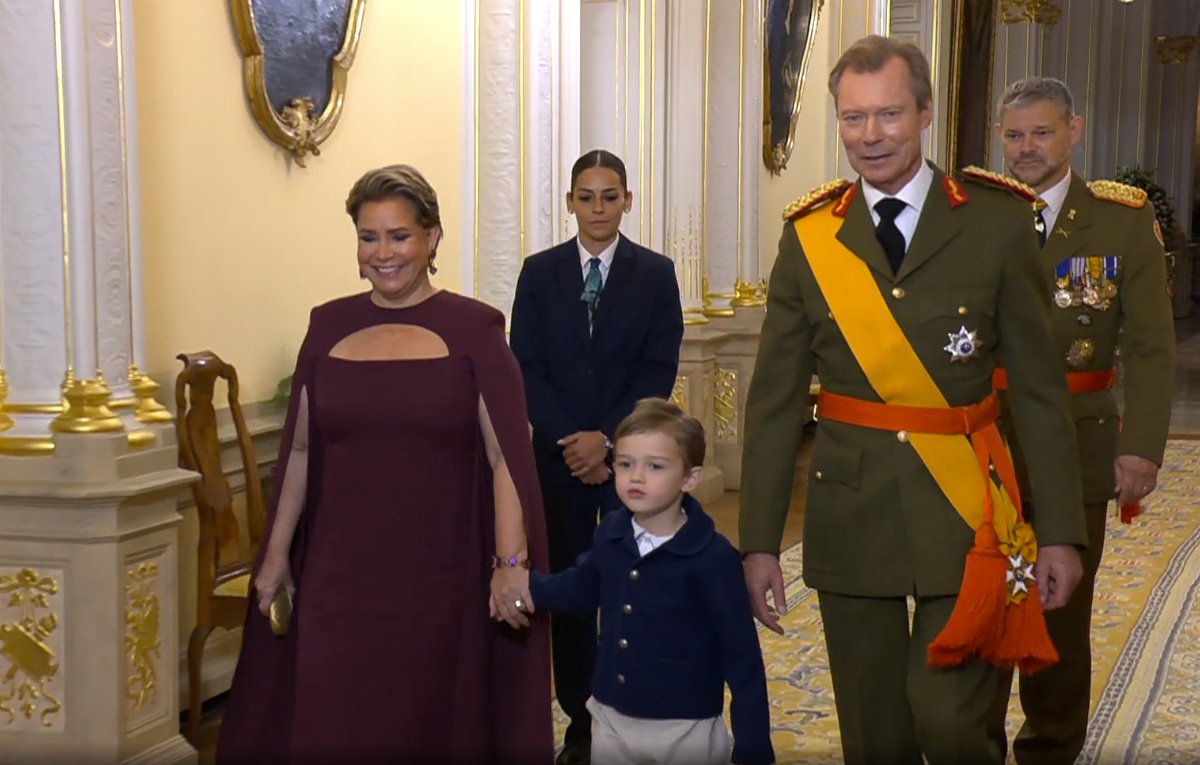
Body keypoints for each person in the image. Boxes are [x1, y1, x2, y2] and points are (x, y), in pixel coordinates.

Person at [737, 35, 1089, 765]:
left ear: (926, 113)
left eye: (889, 115)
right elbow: (772, 403)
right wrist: (760, 542)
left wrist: (1059, 530)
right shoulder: (811, 236)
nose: (870, 137)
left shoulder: (994, 221)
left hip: (966, 515)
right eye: (853, 118)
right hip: (851, 510)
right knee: (876, 737)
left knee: (952, 726)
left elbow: (1038, 392)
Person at [215, 164, 553, 764]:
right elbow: (297, 450)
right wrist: (274, 560)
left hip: (438, 579)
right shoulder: (328, 324)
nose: (383, 253)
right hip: (336, 578)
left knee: (422, 723)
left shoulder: (474, 328)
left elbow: (507, 457)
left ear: (432, 239)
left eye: (398, 236)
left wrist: (508, 565)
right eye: (368, 237)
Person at [987, 76, 1175, 764]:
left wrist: (1143, 448)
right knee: (984, 599)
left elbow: (1153, 347)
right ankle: (974, 741)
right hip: (988, 442)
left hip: (1076, 440)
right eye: (1014, 134)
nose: (1026, 148)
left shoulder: (1121, 221)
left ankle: (1050, 747)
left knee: (1058, 613)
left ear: (1076, 130)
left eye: (1041, 132)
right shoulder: (977, 213)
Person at [510, 149, 684, 765]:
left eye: (610, 196)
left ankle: (638, 712)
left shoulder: (656, 274)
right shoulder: (539, 272)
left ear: (628, 201)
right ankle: (579, 724)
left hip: (630, 465)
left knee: (633, 586)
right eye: (586, 197)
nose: (598, 208)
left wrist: (607, 440)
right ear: (570, 204)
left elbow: (657, 368)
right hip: (556, 464)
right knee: (571, 592)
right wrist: (572, 440)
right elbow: (523, 365)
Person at [507, 398, 775, 765]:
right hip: (611, 716)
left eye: (655, 466)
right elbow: (581, 586)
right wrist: (527, 587)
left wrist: (753, 749)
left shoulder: (714, 559)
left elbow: (743, 662)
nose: (636, 477)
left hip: (684, 727)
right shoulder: (612, 533)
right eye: (625, 464)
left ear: (690, 478)